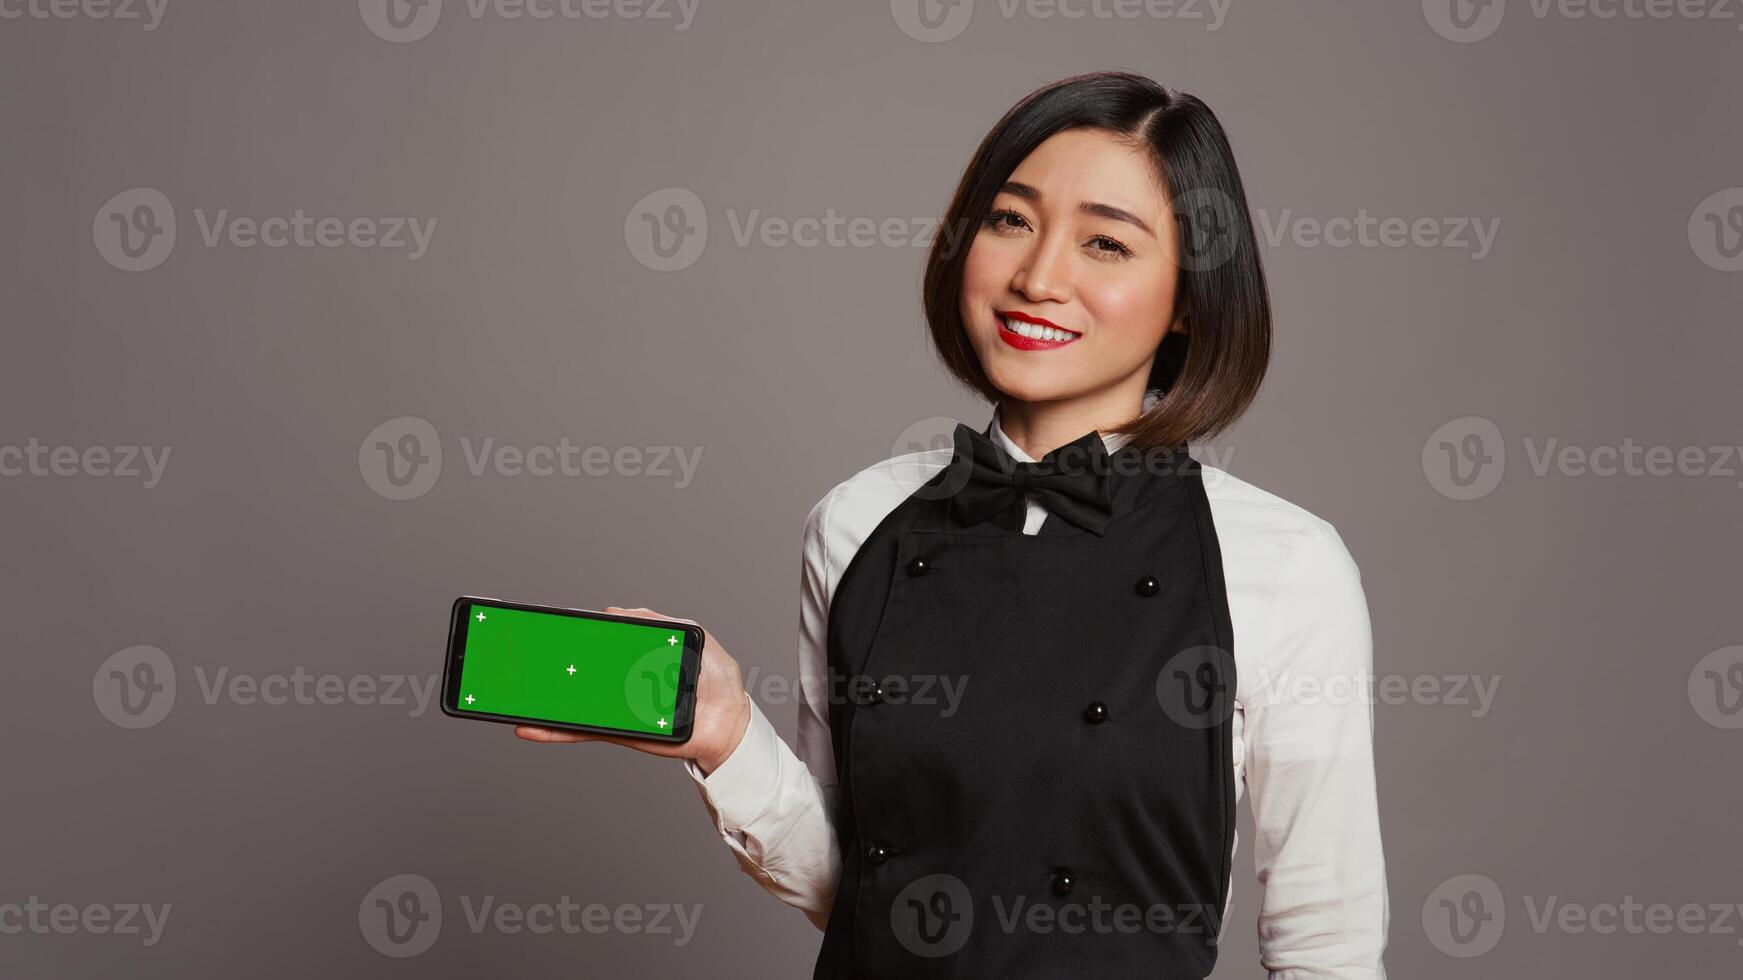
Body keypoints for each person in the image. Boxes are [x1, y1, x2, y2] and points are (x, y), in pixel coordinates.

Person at [517, 69, 1389, 978]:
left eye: (1104, 243)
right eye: (1011, 220)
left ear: (1187, 300)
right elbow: (856, 892)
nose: (1037, 276)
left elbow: (1324, 941)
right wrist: (724, 733)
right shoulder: (856, 522)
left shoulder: (1283, 564)